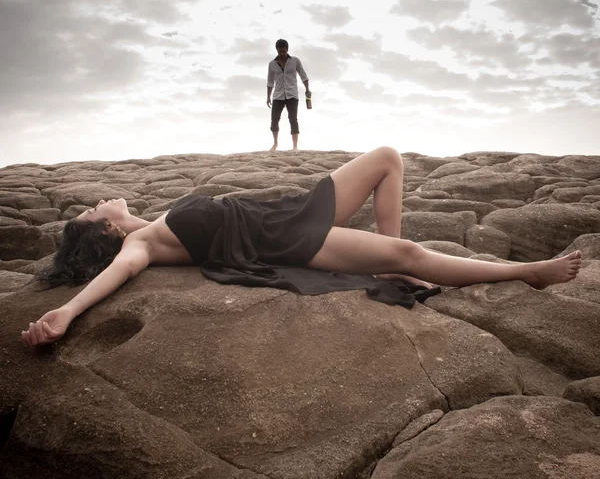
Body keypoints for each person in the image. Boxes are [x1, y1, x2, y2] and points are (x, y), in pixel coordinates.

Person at [21, 146, 582, 349]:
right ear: (106, 233)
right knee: (411, 258)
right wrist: (67, 312)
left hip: (285, 209)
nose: (101, 202)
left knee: (388, 156)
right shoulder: (138, 245)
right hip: (283, 235)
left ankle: (392, 256)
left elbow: (180, 234)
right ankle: (526, 270)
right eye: (94, 211)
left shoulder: (152, 227)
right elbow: (117, 274)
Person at [267, 38, 310, 152]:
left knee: (293, 119)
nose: (282, 54)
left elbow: (303, 75)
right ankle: (275, 143)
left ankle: (295, 146)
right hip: (278, 95)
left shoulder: (295, 61)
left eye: (284, 51)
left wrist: (307, 89)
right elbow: (270, 82)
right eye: (280, 51)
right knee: (274, 120)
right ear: (277, 50)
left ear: (287, 49)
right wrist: (268, 97)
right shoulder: (272, 64)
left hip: (292, 95)